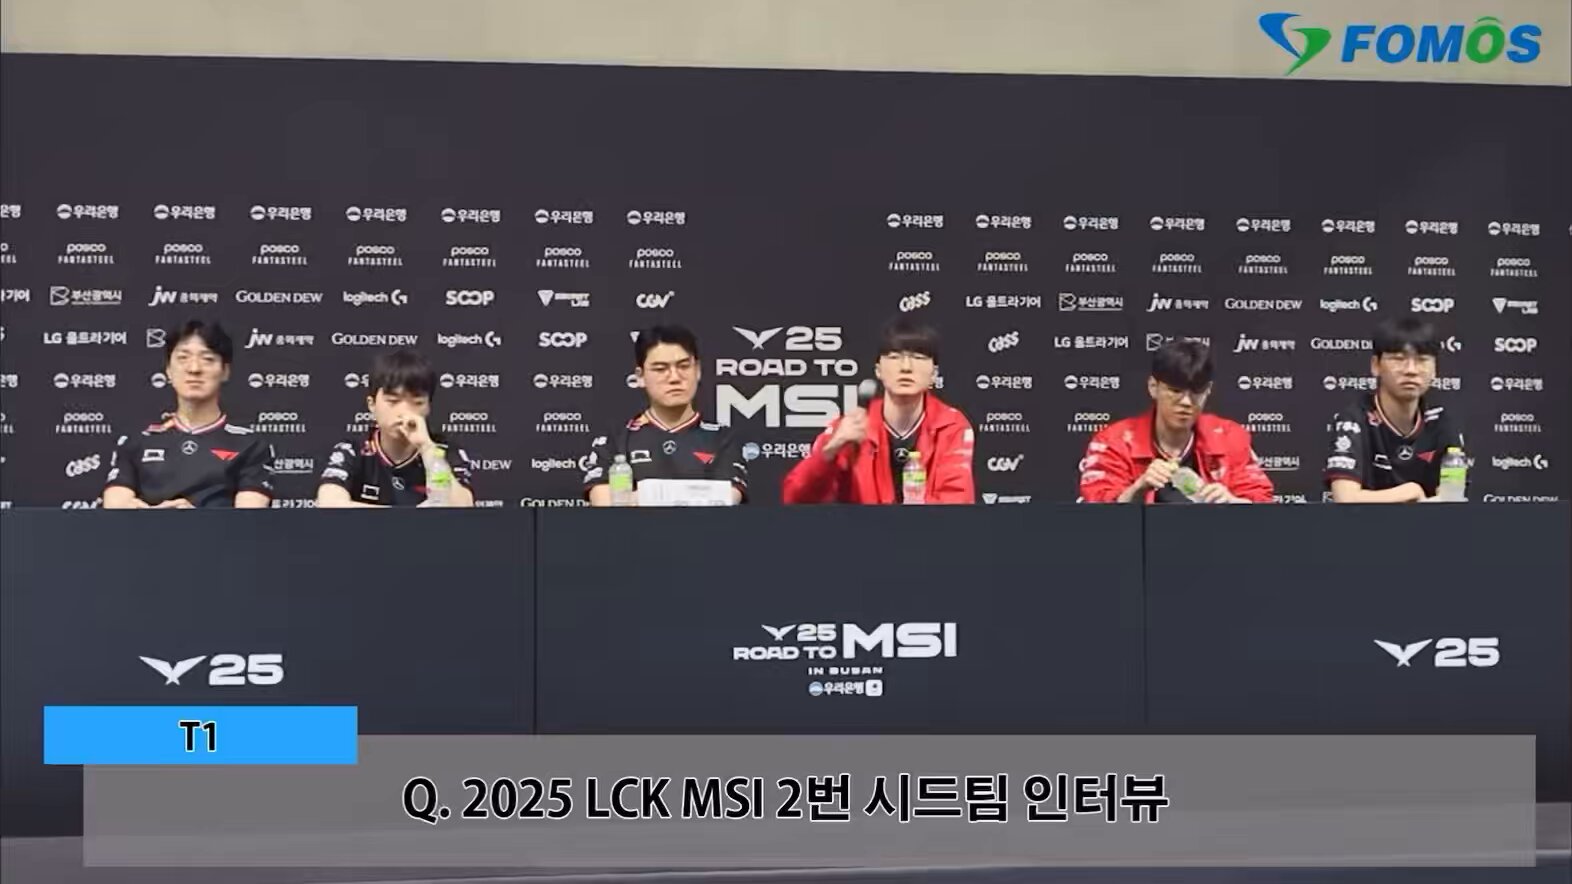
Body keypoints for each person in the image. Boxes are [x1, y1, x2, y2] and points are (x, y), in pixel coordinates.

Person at [782, 317, 975, 504]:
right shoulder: (850, 427)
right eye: (894, 357)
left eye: (918, 357)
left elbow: (956, 503)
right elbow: (796, 498)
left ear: (934, 373)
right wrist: (831, 449)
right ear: (878, 370)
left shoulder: (951, 425)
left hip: (928, 526)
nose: (906, 367)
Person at [103, 320, 275, 508]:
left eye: (207, 359)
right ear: (168, 371)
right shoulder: (135, 442)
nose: (194, 369)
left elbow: (249, 516)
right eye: (183, 358)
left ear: (225, 371)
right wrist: (155, 517)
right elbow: (115, 507)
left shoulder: (251, 445)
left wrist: (192, 519)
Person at [1078, 338, 1272, 504]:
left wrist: (1233, 503)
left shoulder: (1230, 437)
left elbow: (1263, 504)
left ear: (1208, 390)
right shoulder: (1114, 442)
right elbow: (1098, 514)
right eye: (1175, 391)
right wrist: (1138, 489)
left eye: (1196, 391)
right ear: (1153, 387)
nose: (1186, 402)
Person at [582, 325, 747, 505]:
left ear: (698, 370)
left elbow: (729, 498)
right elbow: (604, 501)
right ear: (640, 377)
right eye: (660, 369)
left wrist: (640, 497)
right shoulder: (616, 440)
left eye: (684, 366)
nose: (674, 377)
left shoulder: (723, 438)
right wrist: (698, 495)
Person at [1324, 315, 1464, 503]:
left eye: (1422, 360)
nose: (1411, 370)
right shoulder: (1355, 418)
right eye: (1399, 359)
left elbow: (1452, 499)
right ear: (1376, 366)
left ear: (1435, 369)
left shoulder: (1441, 421)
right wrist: (1410, 491)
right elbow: (1345, 498)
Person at [316, 349, 475, 507]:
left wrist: (426, 448)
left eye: (417, 402)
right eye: (393, 401)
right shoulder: (353, 451)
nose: (404, 412)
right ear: (372, 404)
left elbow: (460, 508)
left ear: (428, 407)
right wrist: (407, 518)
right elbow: (329, 503)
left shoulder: (443, 452)